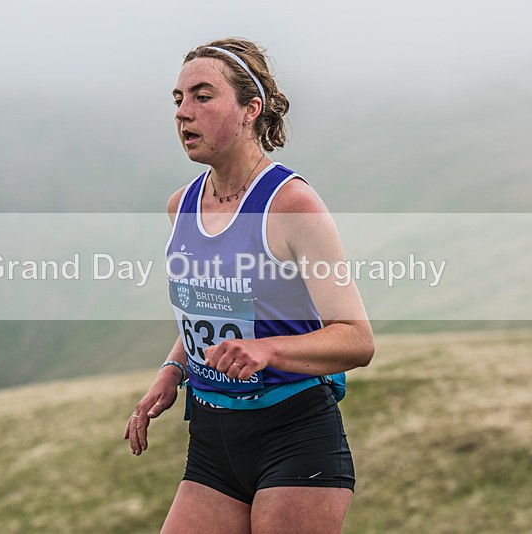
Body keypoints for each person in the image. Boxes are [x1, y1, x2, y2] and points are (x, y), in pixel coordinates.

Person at [124, 37, 374, 534]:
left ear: (249, 109)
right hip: (213, 440)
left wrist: (268, 352)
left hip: (295, 438)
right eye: (177, 100)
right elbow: (211, 307)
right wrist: (173, 370)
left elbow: (356, 338)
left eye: (202, 96)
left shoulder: (291, 204)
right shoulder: (182, 206)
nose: (183, 113)